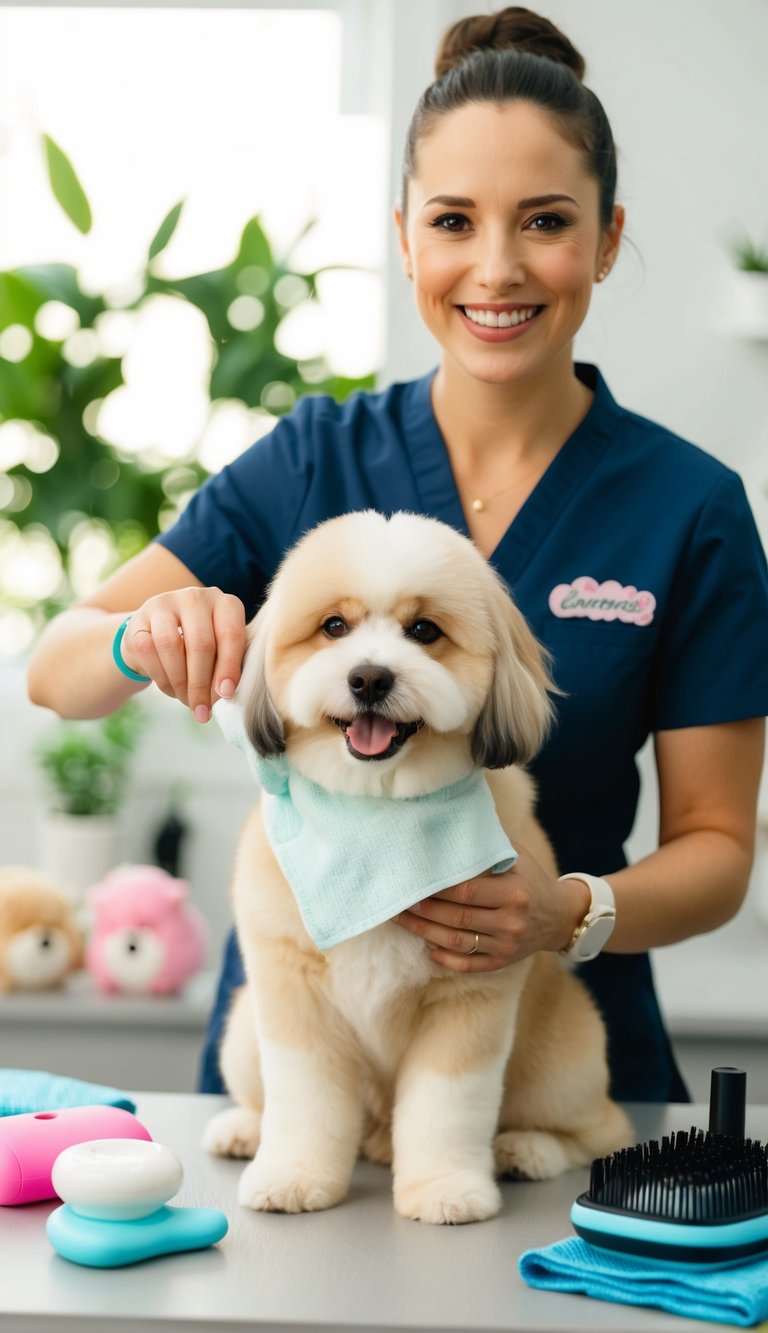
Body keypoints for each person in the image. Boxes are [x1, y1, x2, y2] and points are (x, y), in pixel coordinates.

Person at [28, 7, 768, 1104]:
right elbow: (58, 668)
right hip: (304, 1065)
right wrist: (145, 636)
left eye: (548, 221)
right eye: (455, 220)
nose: (498, 268)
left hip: (546, 1071)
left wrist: (567, 910)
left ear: (609, 239)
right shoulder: (309, 461)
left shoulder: (690, 508)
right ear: (406, 236)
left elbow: (715, 846)